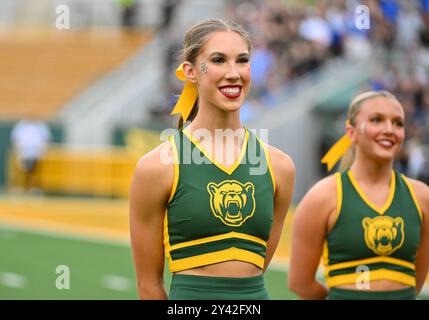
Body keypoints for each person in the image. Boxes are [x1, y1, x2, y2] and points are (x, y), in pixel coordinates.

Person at [129, 18, 295, 300]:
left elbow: (258, 267)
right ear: (191, 71)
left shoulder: (279, 167)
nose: (233, 73)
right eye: (218, 60)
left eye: (242, 61)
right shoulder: (157, 166)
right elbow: (148, 286)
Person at [288, 90, 429, 300]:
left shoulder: (422, 196)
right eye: (376, 120)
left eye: (398, 123)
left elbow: (416, 281)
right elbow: (300, 283)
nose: (389, 129)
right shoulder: (322, 196)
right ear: (351, 132)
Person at [10, 115, 52, 193]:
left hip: (36, 153)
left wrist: (42, 150)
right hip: (23, 153)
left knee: (35, 171)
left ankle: (35, 188)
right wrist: (19, 150)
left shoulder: (41, 126)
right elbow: (15, 139)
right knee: (22, 171)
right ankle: (20, 187)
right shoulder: (21, 125)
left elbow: (45, 139)